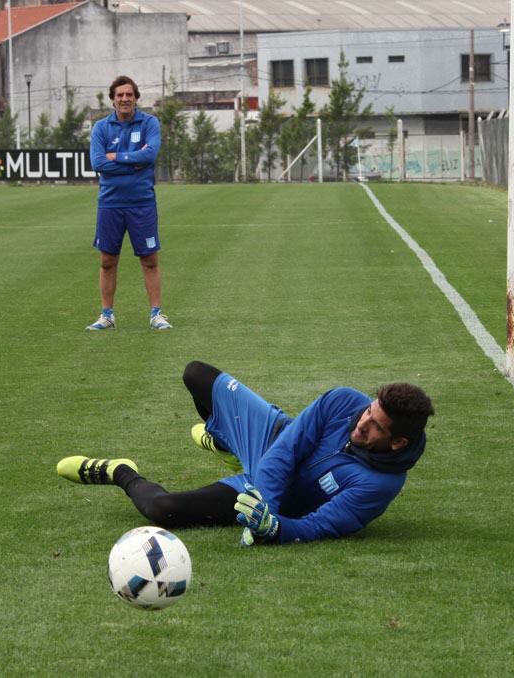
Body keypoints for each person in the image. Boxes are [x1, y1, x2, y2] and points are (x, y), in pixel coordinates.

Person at [56, 361, 435, 545]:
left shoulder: (379, 484)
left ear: (397, 443)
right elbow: (288, 449)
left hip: (268, 495)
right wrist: (264, 501)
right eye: (369, 410)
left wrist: (271, 526)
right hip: (272, 438)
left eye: (376, 426)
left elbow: (321, 526)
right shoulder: (344, 400)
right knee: (195, 375)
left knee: (161, 509)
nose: (363, 422)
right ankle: (229, 444)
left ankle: (119, 471)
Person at [86, 75, 171, 331]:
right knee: (107, 260)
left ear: (136, 98)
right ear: (112, 99)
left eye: (129, 94)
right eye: (120, 95)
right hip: (110, 203)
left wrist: (117, 158)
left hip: (142, 203)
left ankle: (156, 314)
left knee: (150, 259)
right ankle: (107, 315)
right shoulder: (101, 128)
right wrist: (134, 164)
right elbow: (98, 163)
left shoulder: (149, 123)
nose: (125, 98)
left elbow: (150, 155)